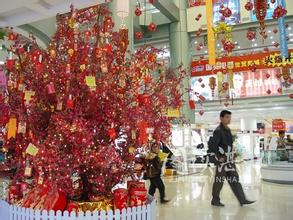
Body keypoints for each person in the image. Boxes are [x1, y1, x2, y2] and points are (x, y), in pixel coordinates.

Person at [208, 110, 255, 207]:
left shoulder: (228, 130)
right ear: (221, 118)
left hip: (229, 159)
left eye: (229, 117)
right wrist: (219, 157)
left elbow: (228, 144)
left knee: (234, 179)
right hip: (222, 161)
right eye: (227, 117)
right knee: (219, 181)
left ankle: (242, 199)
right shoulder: (218, 131)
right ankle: (215, 200)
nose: (229, 119)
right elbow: (212, 146)